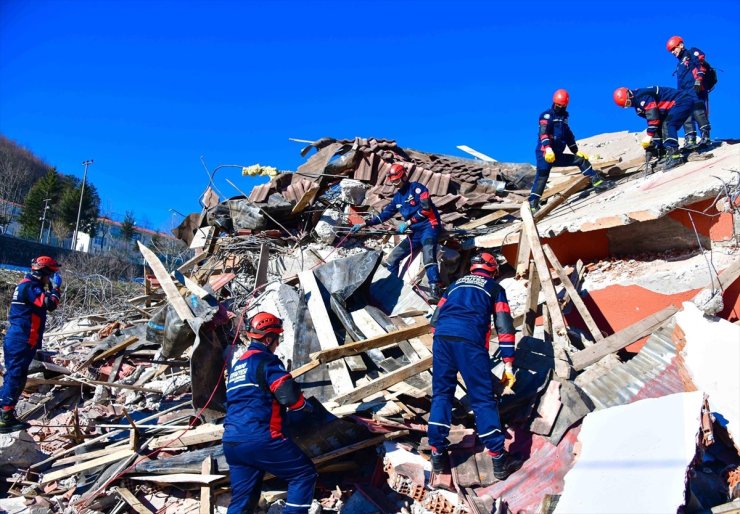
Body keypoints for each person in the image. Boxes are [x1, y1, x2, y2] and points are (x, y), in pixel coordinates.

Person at [427, 252, 521, 481]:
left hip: (442, 340)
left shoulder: (453, 286)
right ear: (492, 269)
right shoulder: (495, 289)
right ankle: (499, 459)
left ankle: (437, 454)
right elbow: (504, 325)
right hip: (469, 343)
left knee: (441, 395)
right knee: (482, 399)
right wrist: (508, 362)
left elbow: (434, 322)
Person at [222, 312, 317, 514]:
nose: (278, 344)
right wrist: (303, 406)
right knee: (303, 474)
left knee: (242, 501)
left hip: (232, 443)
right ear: (268, 338)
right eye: (277, 338)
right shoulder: (266, 360)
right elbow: (288, 394)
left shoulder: (238, 367)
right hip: (260, 437)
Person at [351, 163, 443, 302]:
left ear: (404, 176)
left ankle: (435, 289)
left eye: (397, 181)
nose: (395, 184)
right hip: (414, 233)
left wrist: (408, 222)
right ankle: (392, 287)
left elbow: (426, 209)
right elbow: (385, 215)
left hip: (429, 227)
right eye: (393, 182)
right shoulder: (397, 198)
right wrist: (365, 223)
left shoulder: (418, 189)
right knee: (393, 259)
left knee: (428, 256)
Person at [0, 256, 62, 433]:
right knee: (16, 376)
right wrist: (56, 288)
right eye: (50, 275)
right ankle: (5, 418)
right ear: (44, 273)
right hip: (22, 338)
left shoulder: (25, 284)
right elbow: (50, 304)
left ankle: (4, 409)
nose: (50, 279)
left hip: (19, 337)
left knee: (14, 375)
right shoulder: (30, 286)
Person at [528, 89, 608, 213]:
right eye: (557, 105)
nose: (559, 107)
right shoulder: (546, 115)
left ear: (566, 105)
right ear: (554, 102)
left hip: (557, 153)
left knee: (581, 160)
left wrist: (575, 150)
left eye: (562, 105)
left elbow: (568, 135)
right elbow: (543, 134)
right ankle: (533, 204)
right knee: (542, 177)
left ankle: (597, 182)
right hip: (545, 153)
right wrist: (548, 148)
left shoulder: (564, 117)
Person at [613, 86, 694, 171]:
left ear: (629, 94)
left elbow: (653, 118)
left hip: (681, 101)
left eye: (628, 103)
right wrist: (654, 145)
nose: (629, 106)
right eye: (626, 106)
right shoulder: (638, 109)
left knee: (668, 124)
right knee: (659, 127)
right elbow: (656, 125)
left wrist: (648, 136)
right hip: (670, 108)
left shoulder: (643, 96)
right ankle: (663, 154)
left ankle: (675, 156)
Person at [666, 35, 712, 149]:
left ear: (681, 45)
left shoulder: (691, 52)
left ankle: (705, 137)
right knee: (686, 114)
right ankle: (690, 139)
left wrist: (699, 80)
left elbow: (701, 63)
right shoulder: (679, 64)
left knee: (698, 110)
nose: (672, 52)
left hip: (695, 88)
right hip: (684, 93)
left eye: (674, 48)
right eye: (671, 50)